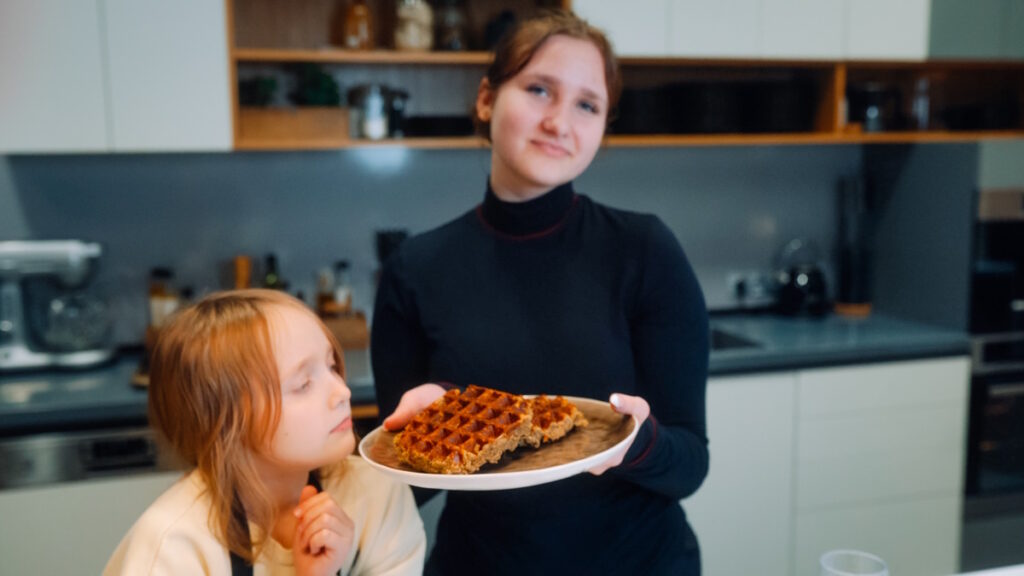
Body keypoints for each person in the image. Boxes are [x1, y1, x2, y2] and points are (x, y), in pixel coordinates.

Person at [370, 10, 709, 576]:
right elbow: (405, 483)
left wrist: (637, 442)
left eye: (587, 104)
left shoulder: (645, 250)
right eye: (538, 89)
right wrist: (423, 437)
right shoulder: (415, 269)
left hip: (638, 562)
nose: (560, 121)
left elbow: (689, 464)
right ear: (485, 99)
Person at [104, 289, 425, 575]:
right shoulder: (172, 546)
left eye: (331, 366)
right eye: (303, 384)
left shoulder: (377, 495)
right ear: (226, 422)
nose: (342, 391)